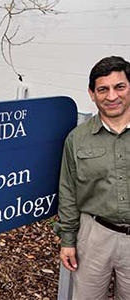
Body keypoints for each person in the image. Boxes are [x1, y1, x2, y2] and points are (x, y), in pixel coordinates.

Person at [57, 55, 130, 300]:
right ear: (91, 93)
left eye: (119, 87)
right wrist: (67, 240)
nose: (112, 96)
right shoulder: (77, 139)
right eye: (103, 89)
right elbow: (68, 192)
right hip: (94, 234)